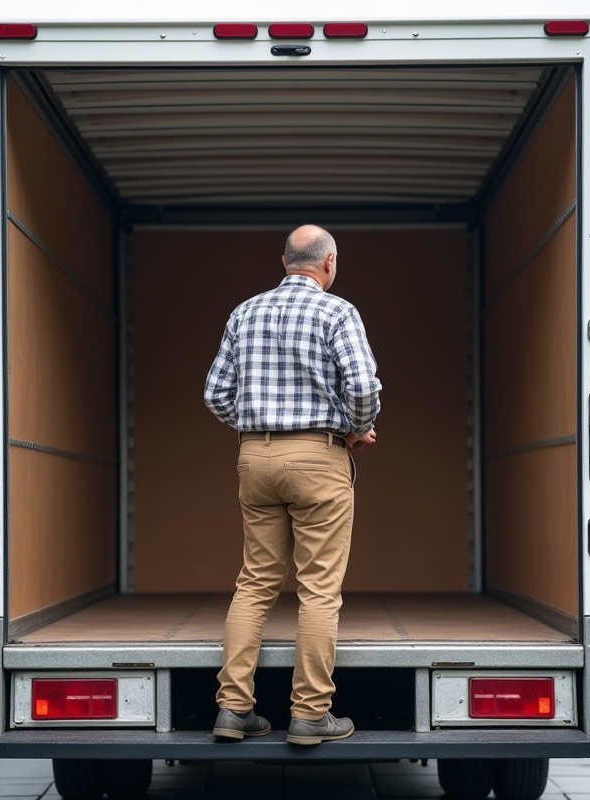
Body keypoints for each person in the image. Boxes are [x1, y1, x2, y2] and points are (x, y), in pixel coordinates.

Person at [203, 224, 381, 746]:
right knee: (319, 590)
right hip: (318, 456)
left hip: (254, 455)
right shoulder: (338, 311)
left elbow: (215, 394)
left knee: (255, 582)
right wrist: (356, 427)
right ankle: (309, 715)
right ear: (329, 263)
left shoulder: (244, 312)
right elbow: (364, 385)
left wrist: (257, 423)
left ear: (284, 261)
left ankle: (233, 709)